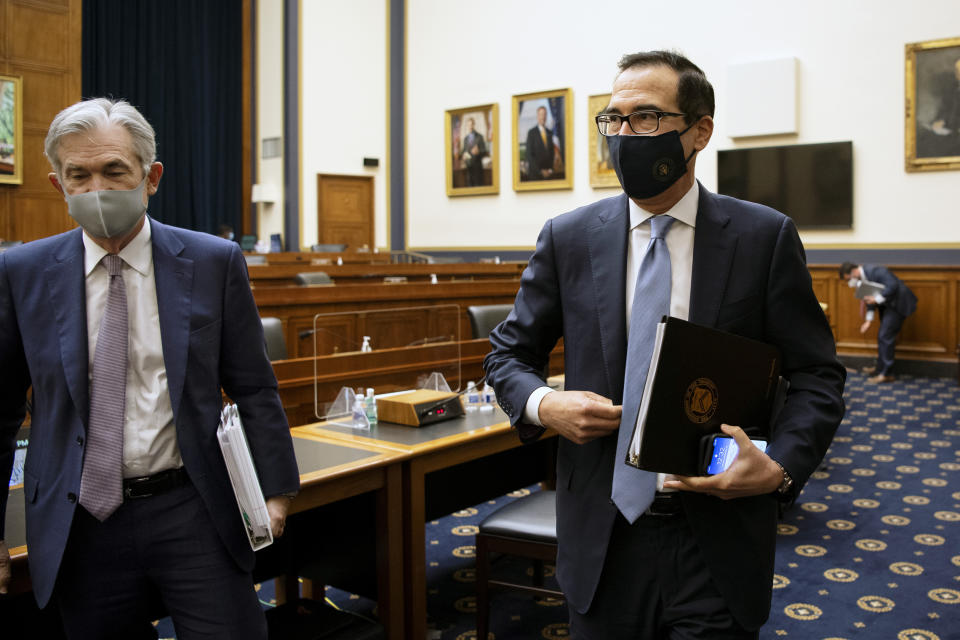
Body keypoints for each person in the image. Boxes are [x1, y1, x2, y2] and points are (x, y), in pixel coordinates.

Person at [484, 51, 846, 638]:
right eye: (615, 119)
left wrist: (780, 467)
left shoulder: (763, 237)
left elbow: (817, 375)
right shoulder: (569, 237)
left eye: (647, 118)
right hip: (602, 538)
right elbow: (507, 354)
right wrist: (544, 405)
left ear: (698, 131)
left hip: (716, 538)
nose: (626, 135)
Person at [0, 98, 300, 639]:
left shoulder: (213, 262)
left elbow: (254, 386)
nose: (97, 190)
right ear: (57, 185)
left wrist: (275, 492)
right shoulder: (22, 272)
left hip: (195, 507)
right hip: (80, 521)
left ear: (151, 176)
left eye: (114, 171)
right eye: (79, 175)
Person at [839, 262, 917, 383]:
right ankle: (881, 369)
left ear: (854, 272)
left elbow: (893, 286)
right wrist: (868, 321)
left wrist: (876, 299)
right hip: (888, 306)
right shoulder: (862, 280)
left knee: (885, 336)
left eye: (849, 279)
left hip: (898, 304)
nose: (850, 282)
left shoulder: (875, 271)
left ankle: (886, 374)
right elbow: (870, 300)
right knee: (883, 337)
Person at [524, 105, 557, 180]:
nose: (543, 117)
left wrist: (550, 170)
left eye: (545, 114)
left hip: (548, 176)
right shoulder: (531, 133)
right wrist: (540, 171)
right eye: (541, 114)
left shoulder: (550, 132)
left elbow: (552, 154)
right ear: (537, 116)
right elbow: (529, 155)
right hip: (535, 176)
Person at [460, 116, 488, 187]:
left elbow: (484, 151)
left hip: (478, 170)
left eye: (471, 124)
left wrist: (478, 152)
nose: (470, 126)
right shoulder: (465, 139)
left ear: (474, 125)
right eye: (468, 125)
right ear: (467, 126)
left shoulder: (480, 137)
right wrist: (463, 156)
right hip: (468, 170)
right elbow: (463, 151)